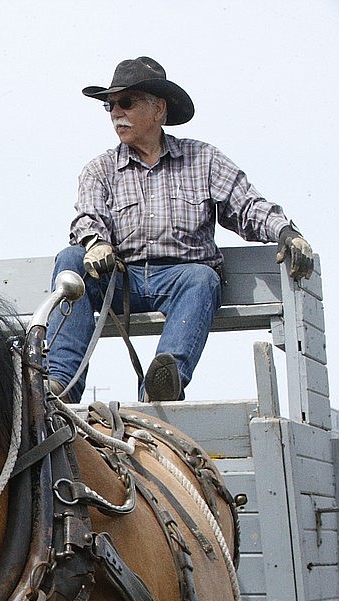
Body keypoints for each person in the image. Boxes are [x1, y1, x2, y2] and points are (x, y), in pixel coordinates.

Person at [45, 56, 317, 403]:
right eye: (110, 105)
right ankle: (60, 384)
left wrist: (285, 233)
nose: (116, 112)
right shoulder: (100, 169)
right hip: (120, 279)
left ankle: (161, 385)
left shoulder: (203, 160)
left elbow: (247, 206)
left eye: (125, 102)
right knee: (71, 256)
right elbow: (86, 217)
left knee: (202, 278)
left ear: (158, 109)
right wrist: (96, 242)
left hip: (180, 279)